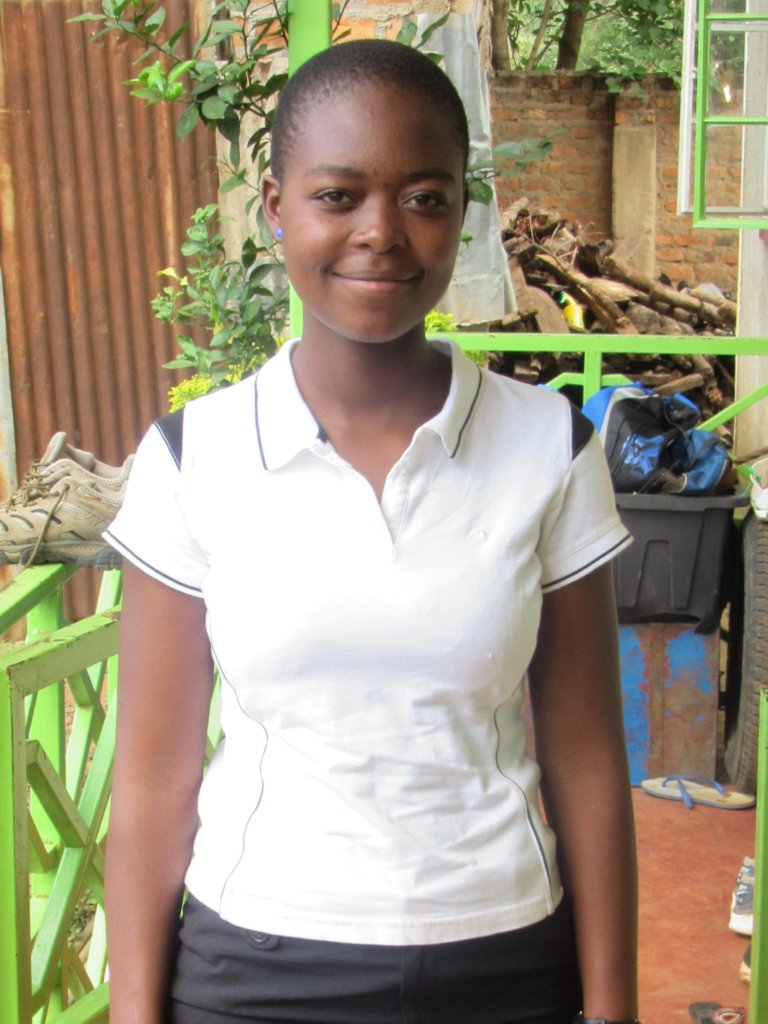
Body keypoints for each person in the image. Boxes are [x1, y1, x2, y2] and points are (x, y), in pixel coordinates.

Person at [104, 38, 639, 1024]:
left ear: (462, 210)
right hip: (255, 971)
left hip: (503, 964)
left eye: (424, 196)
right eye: (337, 195)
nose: (381, 232)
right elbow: (153, 779)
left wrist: (611, 1009)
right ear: (277, 207)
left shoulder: (548, 447)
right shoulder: (194, 457)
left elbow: (588, 760)